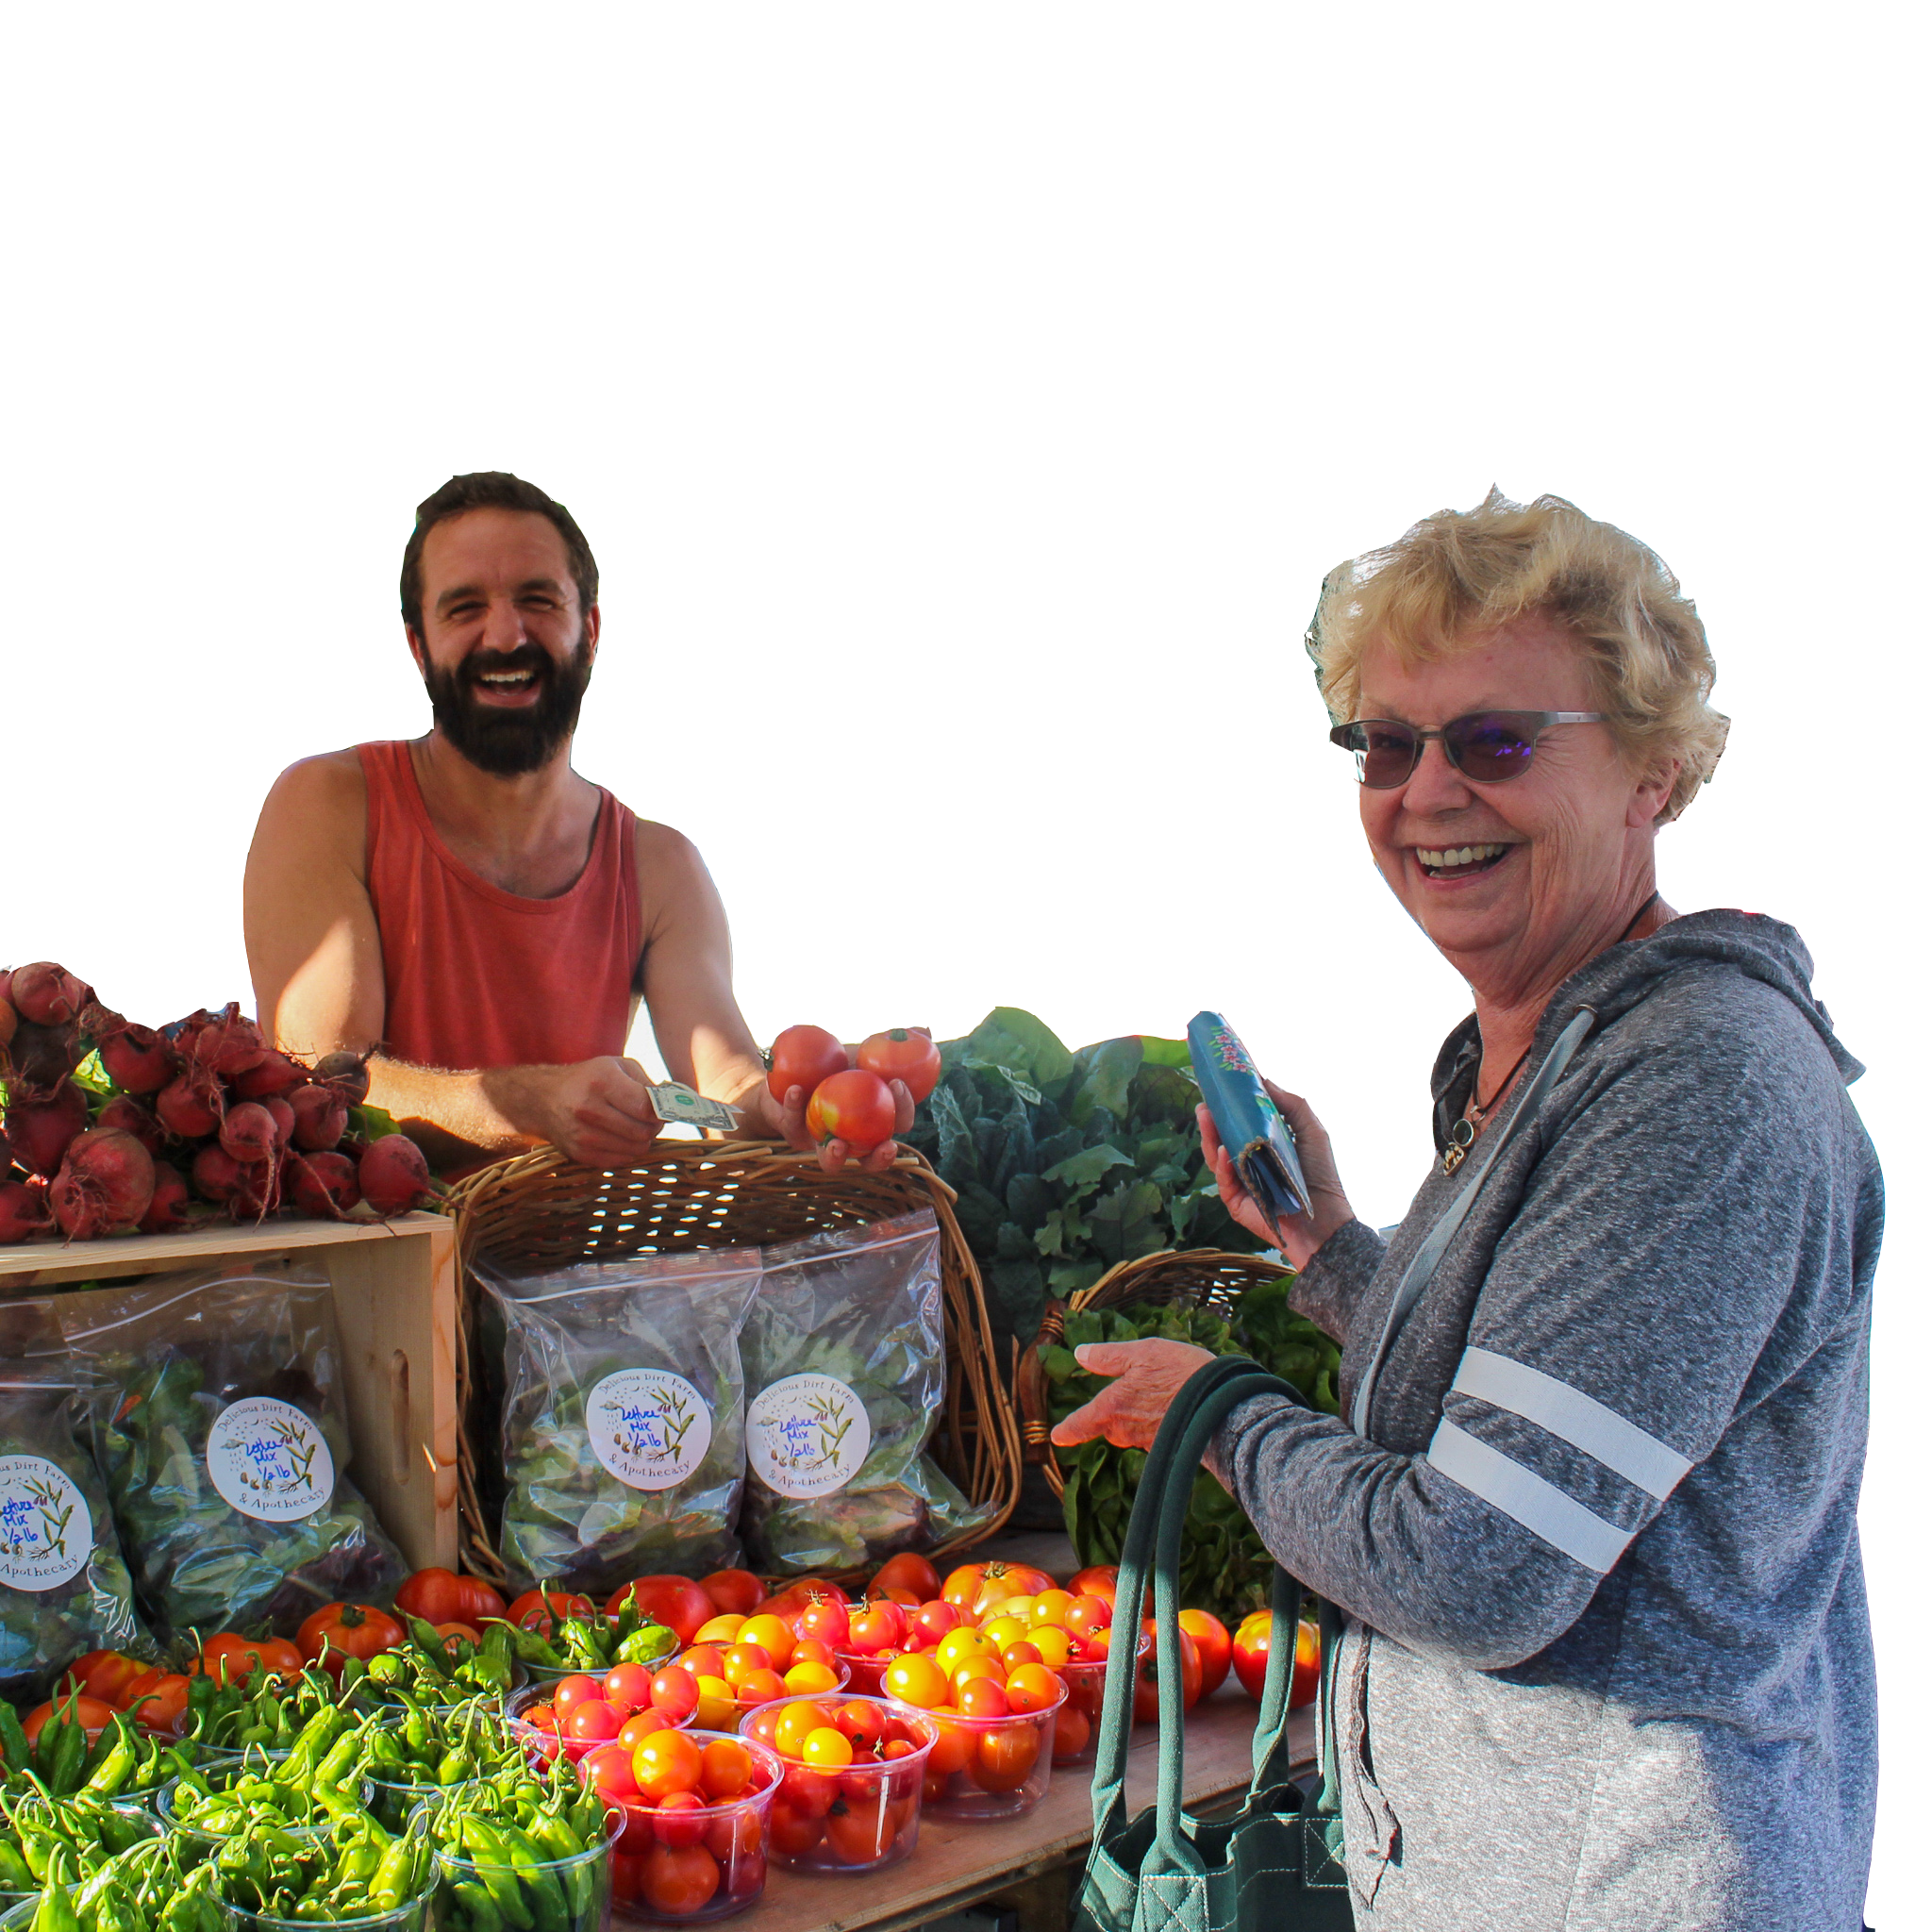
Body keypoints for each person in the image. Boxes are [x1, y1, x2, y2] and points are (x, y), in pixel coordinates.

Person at [1053, 484, 1882, 1931]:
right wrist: (1329, 1254)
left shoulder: (1696, 1084)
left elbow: (1476, 1566)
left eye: (1496, 740)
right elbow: (1521, 1402)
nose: (1425, 792)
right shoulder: (1546, 1043)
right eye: (1384, 742)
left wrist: (1225, 1413)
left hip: (1623, 1881)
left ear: (1651, 773)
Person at [242, 471, 909, 1173]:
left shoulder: (657, 866)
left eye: (538, 600)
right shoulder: (329, 805)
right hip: (378, 1278)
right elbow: (323, 1094)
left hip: (565, 1279)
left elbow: (726, 1091)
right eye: (464, 608)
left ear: (589, 630)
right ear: (418, 646)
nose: (504, 635)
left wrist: (794, 1112)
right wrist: (530, 1103)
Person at [1764, 858, 1843, 959]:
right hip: (1804, 960)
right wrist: (1817, 920)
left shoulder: (1808, 885)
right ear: (1795, 869)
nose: (1812, 873)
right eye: (1809, 870)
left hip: (1831, 958)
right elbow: (1777, 926)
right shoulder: (1776, 886)